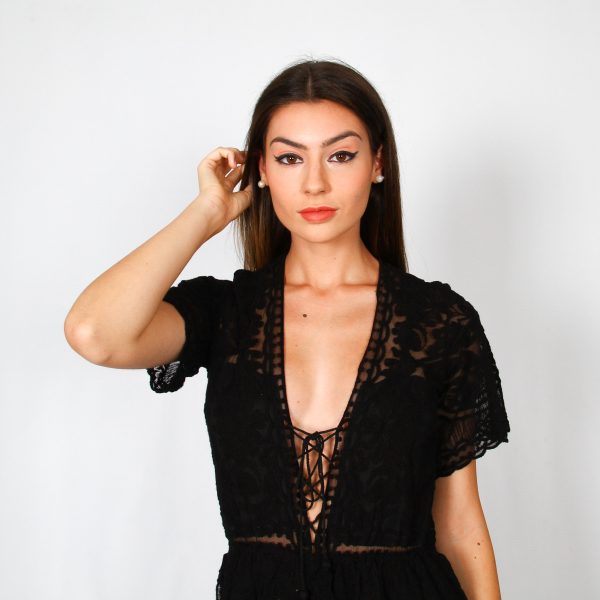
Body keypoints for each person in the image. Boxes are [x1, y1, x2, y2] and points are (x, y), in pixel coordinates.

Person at [64, 58, 511, 600]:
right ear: (262, 170)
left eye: (340, 155)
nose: (314, 182)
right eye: (289, 158)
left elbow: (460, 523)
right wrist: (206, 212)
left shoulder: (438, 322)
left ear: (377, 162)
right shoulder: (226, 312)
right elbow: (95, 333)